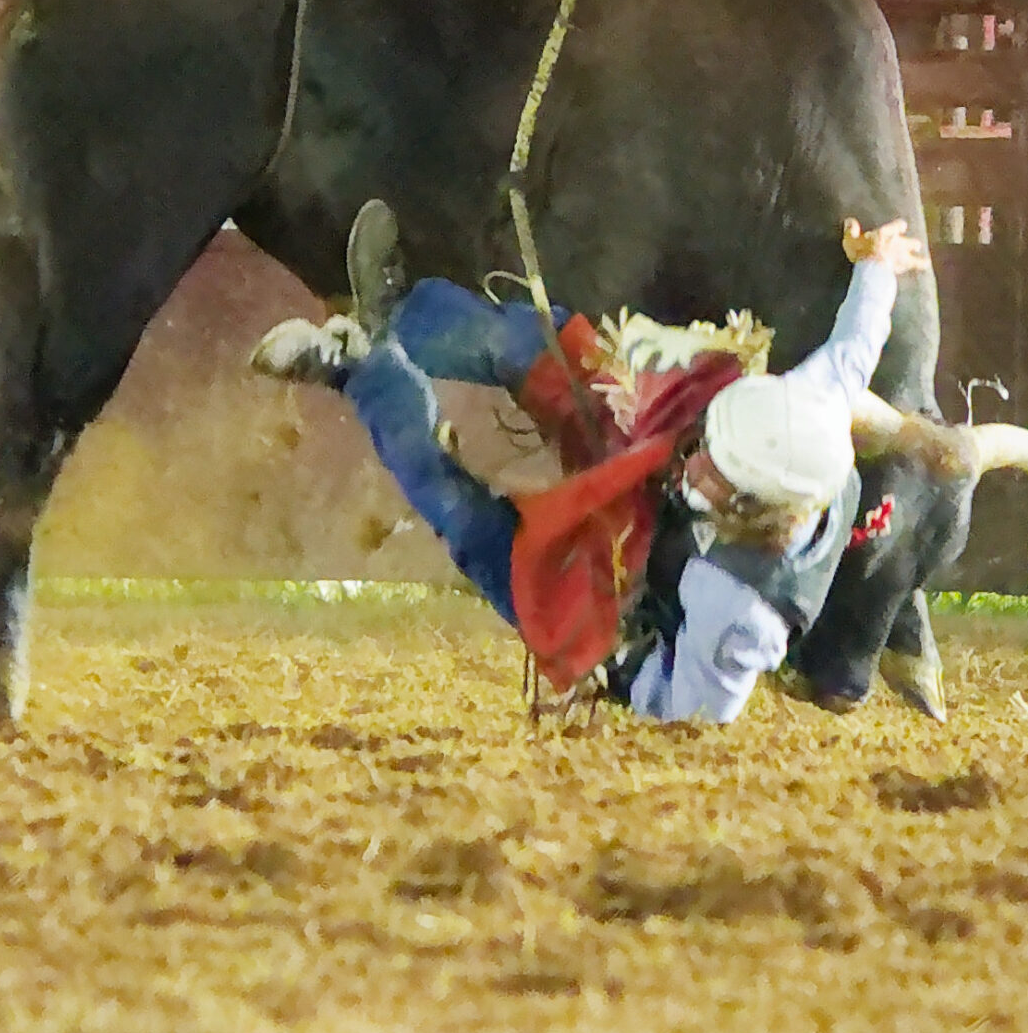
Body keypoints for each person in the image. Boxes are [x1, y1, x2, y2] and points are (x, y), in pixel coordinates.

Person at [250, 200, 929, 723]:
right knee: (545, 347)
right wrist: (877, 265)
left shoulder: (738, 612)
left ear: (751, 510)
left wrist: (617, 672)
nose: (697, 459)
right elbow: (852, 350)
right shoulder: (801, 413)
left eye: (713, 469)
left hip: (614, 612)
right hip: (649, 487)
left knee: (458, 510)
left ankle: (358, 368)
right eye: (709, 444)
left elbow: (690, 716)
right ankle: (397, 313)